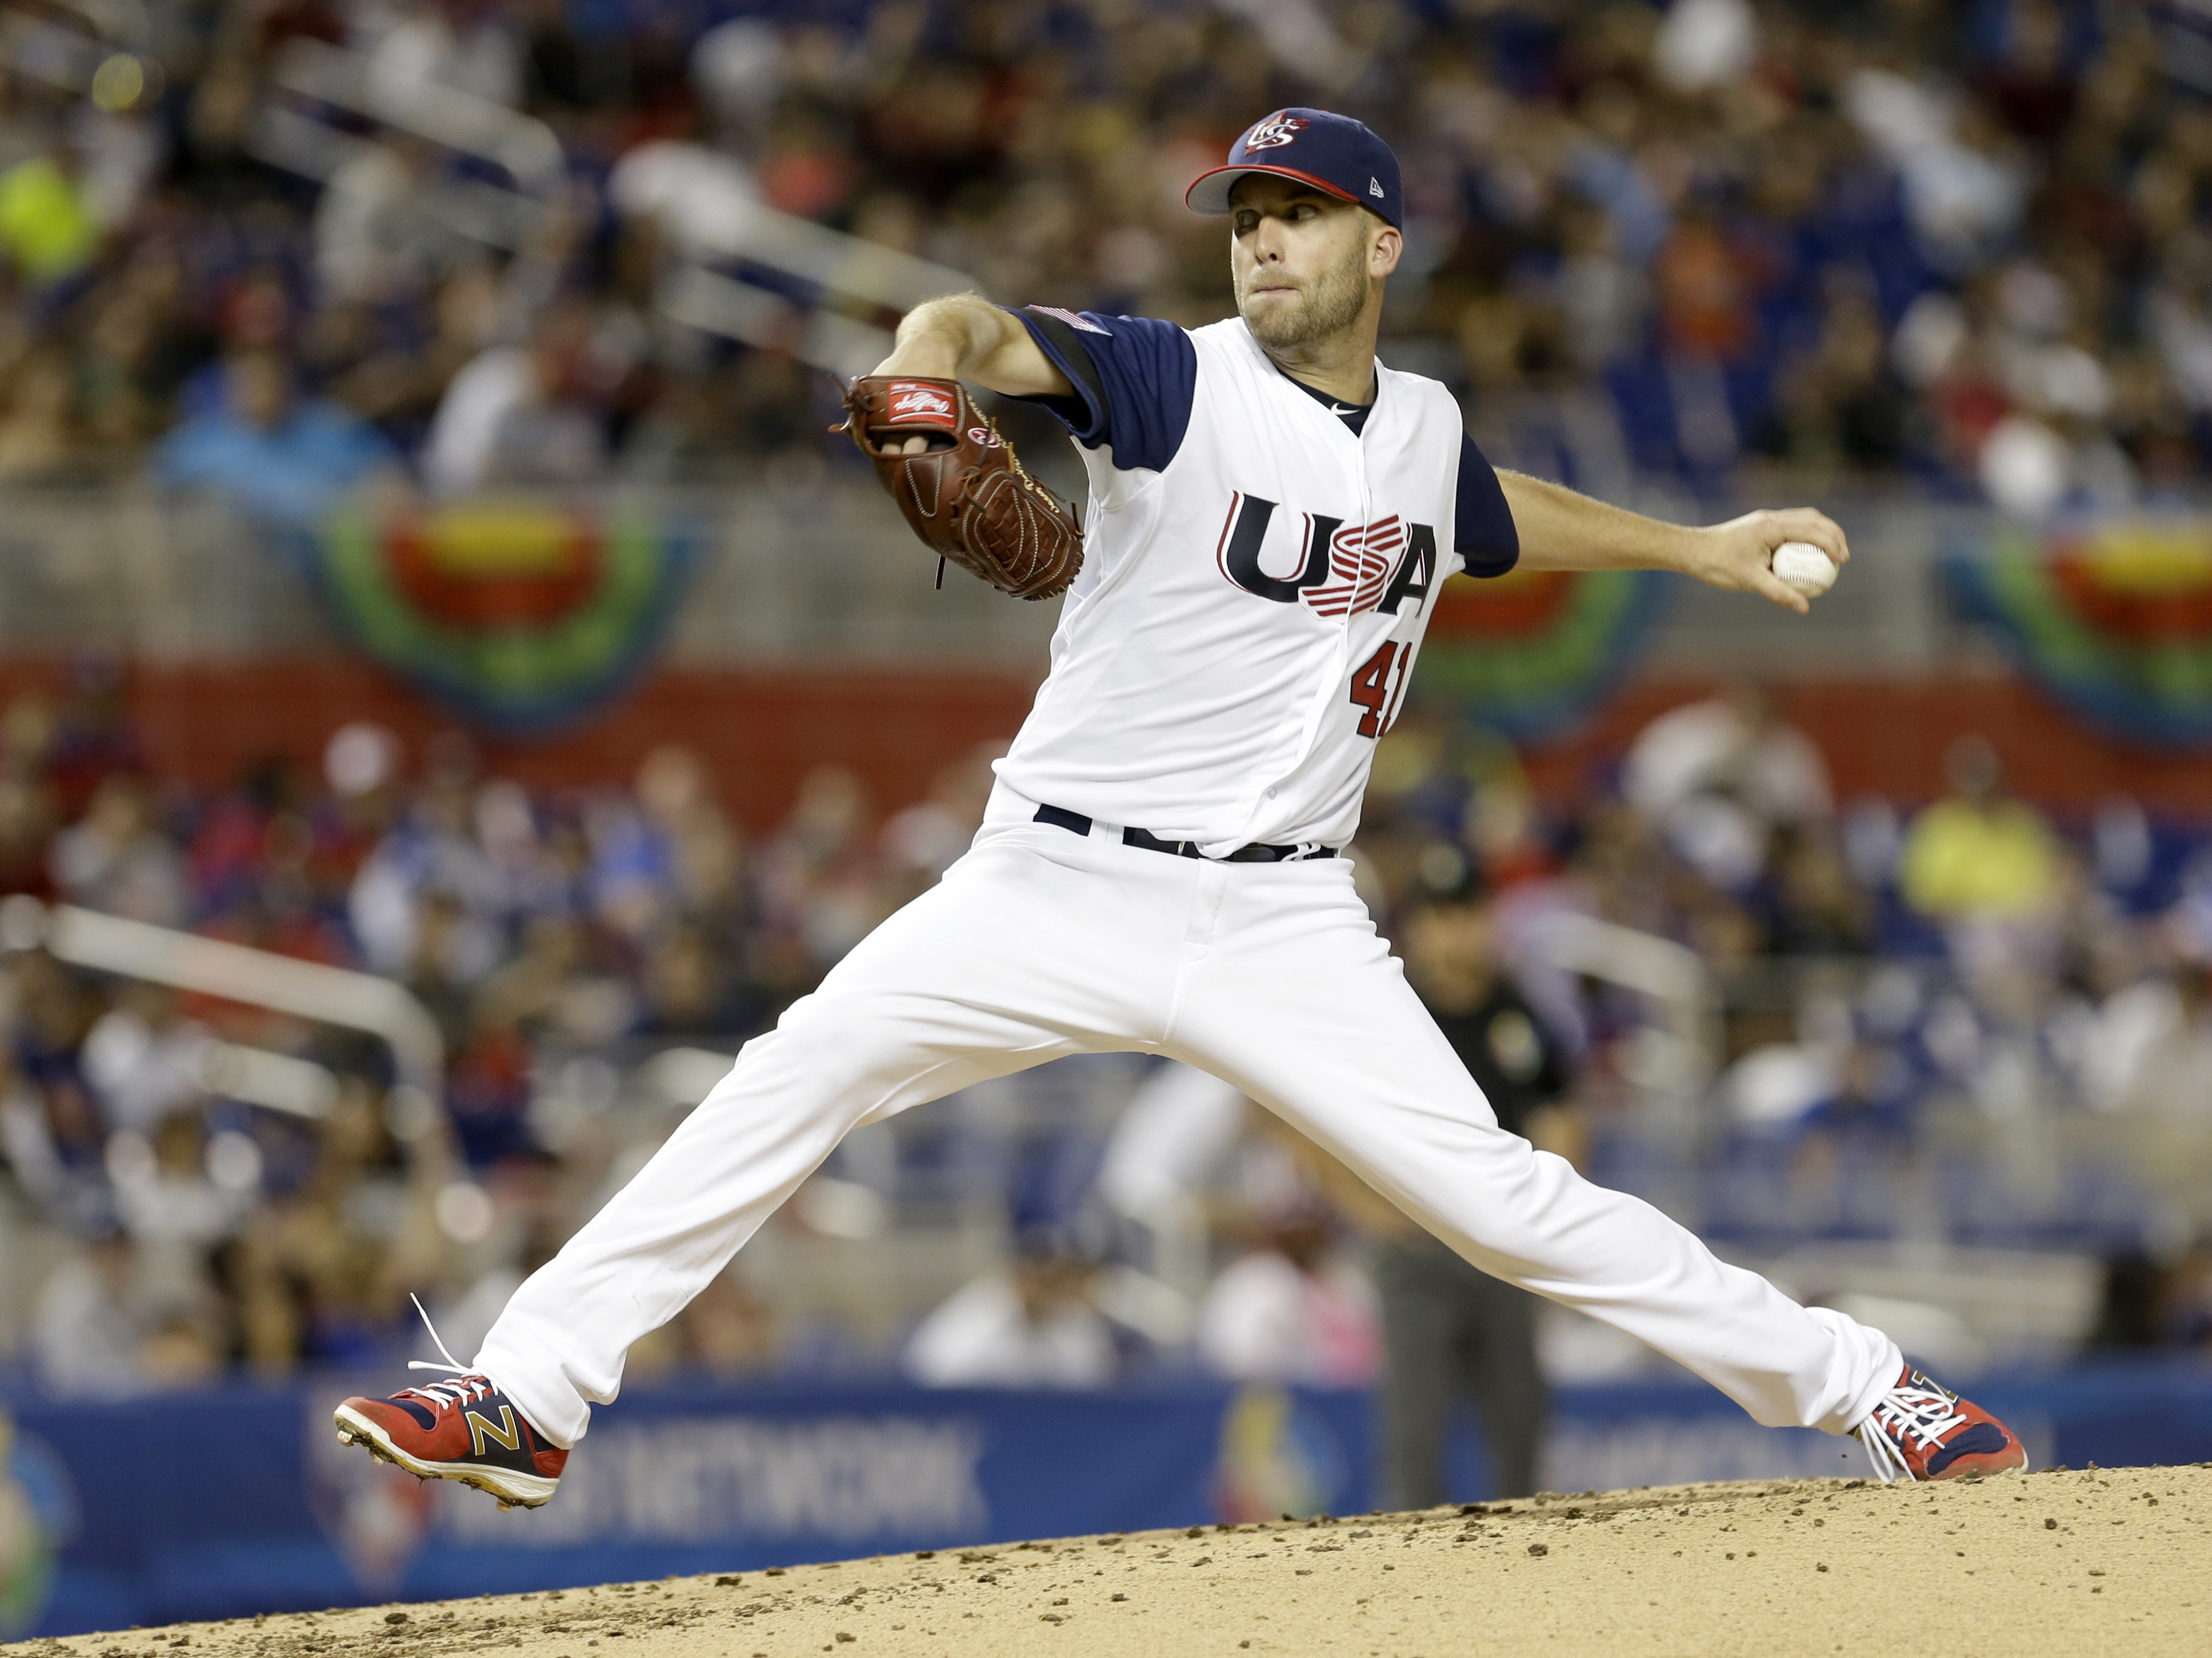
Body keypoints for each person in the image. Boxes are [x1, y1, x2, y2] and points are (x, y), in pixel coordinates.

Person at [336, 107, 2025, 1509]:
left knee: (1505, 1202)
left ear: (1381, 247)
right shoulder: (1170, 381)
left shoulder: (1422, 429)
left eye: (1299, 213)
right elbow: (981, 333)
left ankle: (1871, 1390)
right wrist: (923, 365)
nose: (1261, 239)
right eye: (1244, 216)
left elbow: (1493, 508)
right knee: (801, 1066)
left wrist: (1694, 544)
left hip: (1282, 915)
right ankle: (529, 1388)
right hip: (1051, 882)